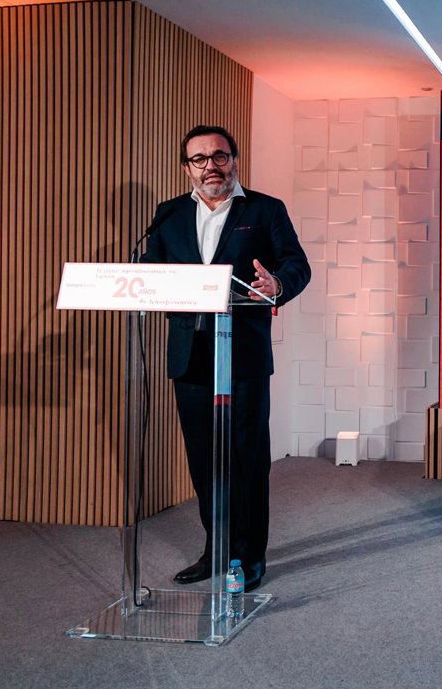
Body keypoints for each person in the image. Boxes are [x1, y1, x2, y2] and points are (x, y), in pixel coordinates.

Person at [142, 124, 311, 592]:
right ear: (187, 168)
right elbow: (152, 270)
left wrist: (278, 284)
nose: (210, 166)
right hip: (190, 356)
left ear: (234, 160)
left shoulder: (264, 209)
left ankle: (249, 556)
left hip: (243, 356)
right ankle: (217, 548)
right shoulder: (169, 214)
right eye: (199, 159)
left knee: (247, 459)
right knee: (203, 461)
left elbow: (297, 265)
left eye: (219, 156)